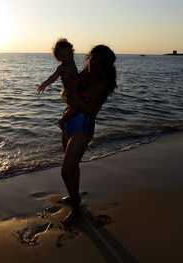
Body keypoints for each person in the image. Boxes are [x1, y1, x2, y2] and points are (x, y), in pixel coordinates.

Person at [59, 44, 117, 224]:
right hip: (68, 123)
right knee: (73, 166)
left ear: (106, 65)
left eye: (100, 61)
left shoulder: (102, 82)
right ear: (89, 57)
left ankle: (76, 208)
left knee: (65, 170)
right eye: (93, 59)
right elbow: (66, 93)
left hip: (83, 127)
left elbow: (91, 110)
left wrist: (75, 99)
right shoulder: (83, 74)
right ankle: (73, 195)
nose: (95, 63)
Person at [37, 38, 81, 130]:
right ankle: (62, 120)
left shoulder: (72, 62)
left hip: (76, 91)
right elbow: (53, 77)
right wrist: (45, 84)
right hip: (69, 93)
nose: (68, 57)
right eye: (64, 56)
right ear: (58, 58)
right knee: (76, 107)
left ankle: (68, 112)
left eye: (69, 54)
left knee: (76, 105)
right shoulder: (61, 68)